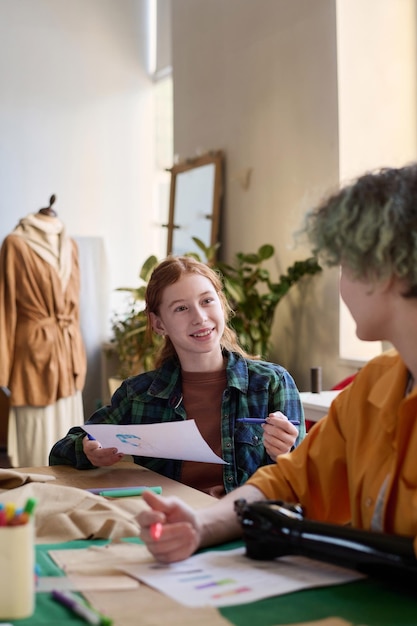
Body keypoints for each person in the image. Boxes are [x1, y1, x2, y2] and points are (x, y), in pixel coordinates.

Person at [137, 163, 417, 563]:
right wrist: (202, 525)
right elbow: (289, 479)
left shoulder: (279, 381)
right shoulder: (376, 383)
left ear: (384, 270)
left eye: (343, 264)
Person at [49, 255, 305, 497]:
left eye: (207, 301)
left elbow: (305, 477)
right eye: (181, 308)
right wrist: (88, 450)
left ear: (222, 305)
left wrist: (285, 452)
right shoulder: (138, 395)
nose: (200, 318)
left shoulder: (272, 383)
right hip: (163, 522)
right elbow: (61, 451)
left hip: (241, 526)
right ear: (159, 323)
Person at [0, 196, 87, 467]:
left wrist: (79, 357)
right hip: (34, 352)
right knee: (36, 436)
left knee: (70, 434)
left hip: (68, 350)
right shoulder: (16, 243)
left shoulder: (70, 244)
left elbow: (74, 308)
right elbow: (5, 305)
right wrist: (3, 367)